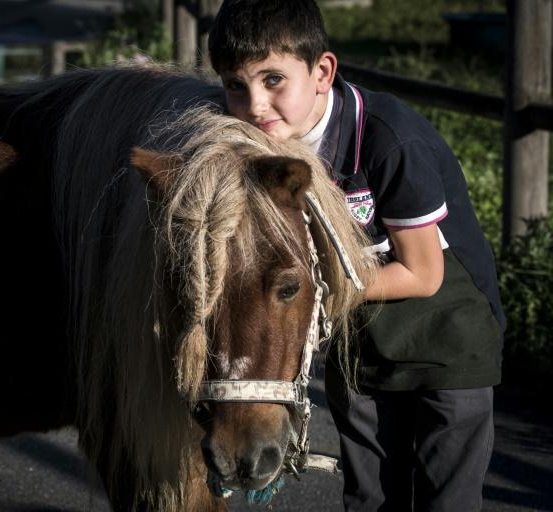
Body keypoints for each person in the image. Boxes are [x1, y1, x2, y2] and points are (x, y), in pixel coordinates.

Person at [207, 1, 505, 511]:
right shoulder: (259, 141)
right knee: (370, 497)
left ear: (323, 72)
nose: (255, 104)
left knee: (447, 498)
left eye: (273, 79)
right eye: (236, 85)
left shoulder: (389, 140)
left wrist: (312, 289)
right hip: (358, 341)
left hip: (447, 339)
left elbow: (423, 273)